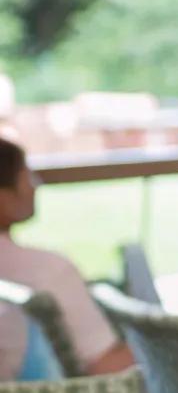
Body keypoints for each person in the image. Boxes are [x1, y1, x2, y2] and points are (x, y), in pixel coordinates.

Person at [0, 138, 133, 376]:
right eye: (26, 176)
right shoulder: (48, 271)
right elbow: (103, 364)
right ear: (4, 195)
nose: (35, 186)